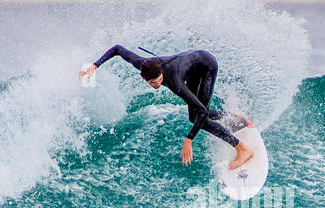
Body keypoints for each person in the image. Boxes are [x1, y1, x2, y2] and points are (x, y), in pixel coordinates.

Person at [79, 46, 254, 170]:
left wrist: (189, 140)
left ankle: (242, 149)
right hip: (192, 66)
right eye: (153, 83)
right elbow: (117, 49)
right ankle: (234, 117)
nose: (158, 85)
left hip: (206, 65)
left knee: (200, 117)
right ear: (144, 79)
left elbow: (202, 112)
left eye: (160, 80)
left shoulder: (175, 82)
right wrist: (95, 66)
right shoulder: (142, 64)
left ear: (162, 74)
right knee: (196, 113)